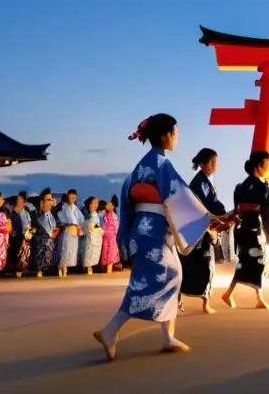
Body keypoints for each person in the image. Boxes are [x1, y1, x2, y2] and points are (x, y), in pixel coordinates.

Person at [94, 114, 228, 360]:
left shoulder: (141, 166)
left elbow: (128, 198)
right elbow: (182, 197)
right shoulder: (161, 164)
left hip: (143, 230)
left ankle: (167, 337)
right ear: (165, 135)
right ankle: (110, 330)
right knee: (152, 281)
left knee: (173, 275)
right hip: (154, 231)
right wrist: (208, 217)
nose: (176, 137)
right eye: (175, 133)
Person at [222, 150, 269, 310]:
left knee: (245, 262)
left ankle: (230, 293)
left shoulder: (240, 187)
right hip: (256, 229)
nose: (268, 167)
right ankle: (258, 298)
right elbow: (267, 213)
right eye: (267, 164)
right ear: (260, 165)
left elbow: (237, 210)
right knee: (259, 262)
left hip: (242, 229)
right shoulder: (262, 188)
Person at [179, 148, 230, 314]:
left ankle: (200, 301)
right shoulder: (199, 183)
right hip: (198, 229)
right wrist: (217, 216)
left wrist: (223, 213)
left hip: (203, 227)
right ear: (203, 164)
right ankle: (201, 303)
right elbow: (200, 207)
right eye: (213, 162)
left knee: (201, 264)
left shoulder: (205, 182)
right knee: (205, 264)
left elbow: (214, 201)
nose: (216, 165)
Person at [29, 189, 60, 278]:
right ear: (42, 202)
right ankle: (39, 269)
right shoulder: (36, 214)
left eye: (51, 199)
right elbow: (34, 226)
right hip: (40, 242)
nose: (51, 202)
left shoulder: (54, 213)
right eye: (48, 200)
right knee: (41, 254)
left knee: (50, 255)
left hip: (51, 241)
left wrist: (57, 231)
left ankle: (48, 269)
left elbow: (59, 225)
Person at [55, 189, 85, 278]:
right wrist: (69, 224)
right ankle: (61, 267)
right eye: (70, 196)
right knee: (65, 249)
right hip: (67, 231)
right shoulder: (63, 207)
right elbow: (61, 217)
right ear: (67, 197)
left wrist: (79, 226)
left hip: (74, 232)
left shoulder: (76, 208)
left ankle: (66, 268)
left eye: (73, 197)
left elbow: (81, 219)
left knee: (72, 250)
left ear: (76, 198)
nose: (72, 198)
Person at [7, 193, 32, 278]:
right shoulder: (13, 214)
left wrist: (29, 232)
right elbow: (11, 228)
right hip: (16, 237)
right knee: (17, 255)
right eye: (19, 200)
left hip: (25, 237)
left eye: (22, 200)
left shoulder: (26, 212)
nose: (21, 202)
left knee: (23, 256)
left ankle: (20, 270)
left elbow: (29, 224)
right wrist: (13, 235)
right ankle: (16, 270)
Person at [80, 196, 104, 275]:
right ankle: (87, 267)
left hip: (94, 235)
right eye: (93, 203)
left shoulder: (95, 214)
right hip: (88, 234)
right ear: (89, 204)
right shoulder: (87, 214)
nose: (95, 205)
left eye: (96, 203)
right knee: (87, 251)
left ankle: (90, 267)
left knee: (93, 252)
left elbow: (95, 225)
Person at [99, 196, 120, 274]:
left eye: (110, 205)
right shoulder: (106, 214)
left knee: (110, 252)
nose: (107, 207)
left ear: (113, 206)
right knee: (105, 251)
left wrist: (113, 234)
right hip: (106, 236)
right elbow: (103, 222)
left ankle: (109, 269)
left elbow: (116, 226)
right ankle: (106, 269)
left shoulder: (113, 216)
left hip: (111, 237)